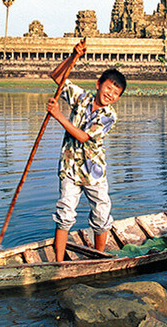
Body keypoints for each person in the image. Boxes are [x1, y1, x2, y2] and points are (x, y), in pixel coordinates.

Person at [46, 40, 127, 261]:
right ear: (98, 84)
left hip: (94, 173)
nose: (110, 94)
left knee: (101, 215)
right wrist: (73, 56)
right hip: (70, 167)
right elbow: (57, 77)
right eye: (108, 87)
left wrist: (58, 115)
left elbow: (82, 136)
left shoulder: (109, 116)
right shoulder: (82, 98)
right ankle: (59, 262)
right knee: (65, 214)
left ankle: (99, 258)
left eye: (116, 93)